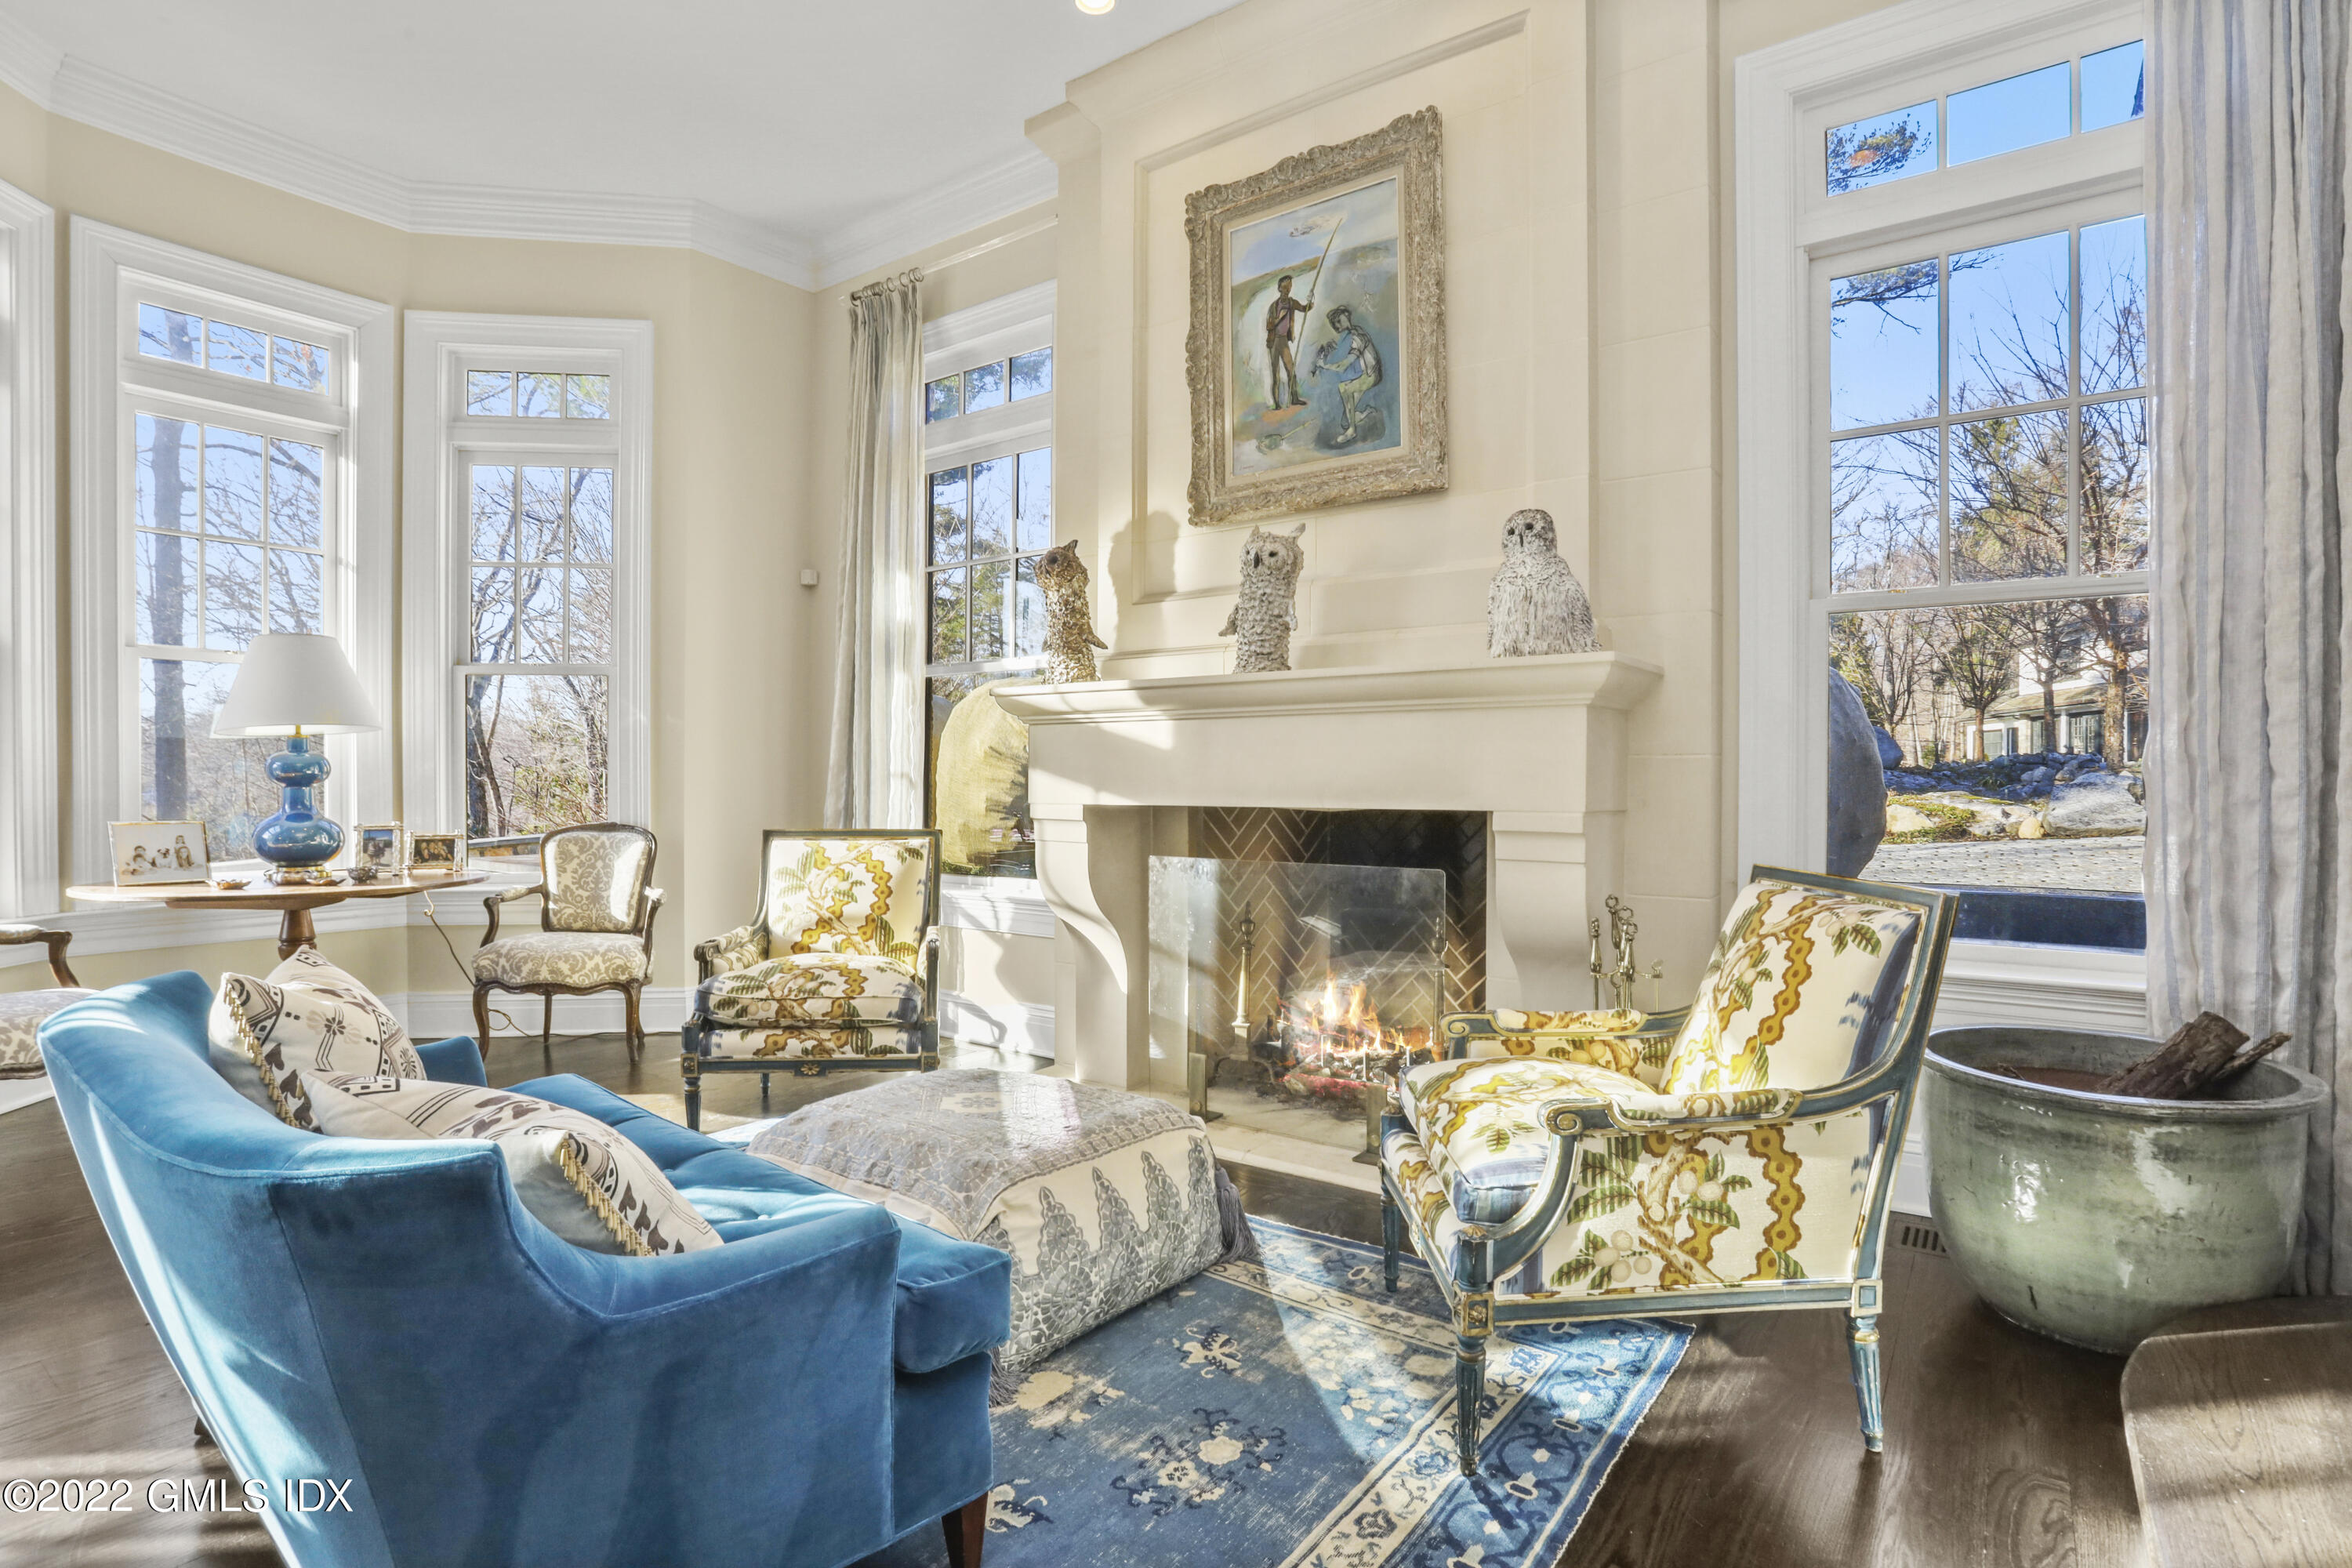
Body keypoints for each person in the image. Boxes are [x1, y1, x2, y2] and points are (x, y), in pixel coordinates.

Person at [1312, 305, 1385, 445]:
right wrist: (1333, 351)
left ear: (1346, 315)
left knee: (1346, 388)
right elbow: (1346, 356)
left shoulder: (1357, 336)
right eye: (1335, 323)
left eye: (1339, 320)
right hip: (1364, 375)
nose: (1337, 325)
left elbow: (1345, 364)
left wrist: (1323, 365)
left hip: (1371, 375)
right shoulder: (1352, 334)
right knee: (1345, 419)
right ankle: (1364, 413)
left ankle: (1352, 431)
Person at [1262, 275, 1312, 409]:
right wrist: (1280, 317)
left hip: (1284, 341)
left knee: (1291, 371)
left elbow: (1305, 308)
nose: (1287, 290)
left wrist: (1311, 301)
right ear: (1279, 288)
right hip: (1273, 343)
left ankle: (1294, 398)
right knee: (1275, 375)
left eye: (1289, 287)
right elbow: (1269, 326)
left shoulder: (1291, 302)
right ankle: (1277, 404)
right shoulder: (1274, 306)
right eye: (1284, 287)